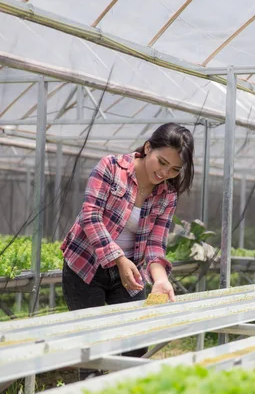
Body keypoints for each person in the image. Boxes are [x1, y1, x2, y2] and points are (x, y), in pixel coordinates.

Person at [60, 123, 194, 378]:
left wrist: (161, 279)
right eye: (161, 162)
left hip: (130, 272)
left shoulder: (168, 194)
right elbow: (90, 216)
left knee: (134, 344)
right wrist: (118, 260)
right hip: (86, 266)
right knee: (93, 348)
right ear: (147, 148)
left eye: (174, 169)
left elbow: (156, 243)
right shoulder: (111, 167)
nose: (164, 172)